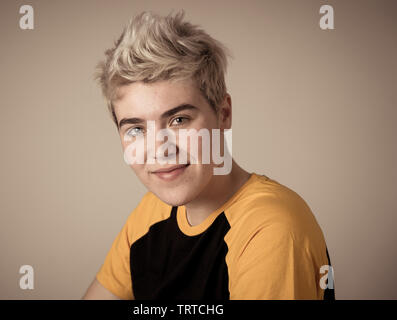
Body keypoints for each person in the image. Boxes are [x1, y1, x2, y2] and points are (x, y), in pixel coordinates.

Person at [83, 10, 335, 300]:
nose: (159, 149)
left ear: (223, 113)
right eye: (136, 128)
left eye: (179, 120)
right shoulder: (151, 214)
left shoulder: (271, 231)